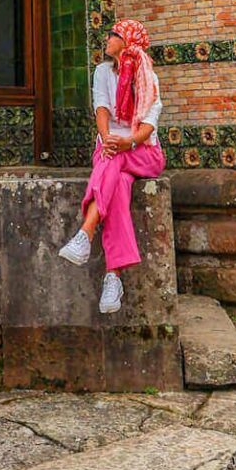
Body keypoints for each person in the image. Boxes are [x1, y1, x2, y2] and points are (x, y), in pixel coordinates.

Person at [57, 19, 165, 315]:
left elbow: (147, 126)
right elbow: (101, 108)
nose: (107, 38)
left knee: (111, 159)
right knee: (117, 184)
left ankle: (86, 232)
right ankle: (113, 277)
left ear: (127, 42)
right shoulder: (103, 72)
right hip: (111, 150)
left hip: (143, 152)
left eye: (114, 34)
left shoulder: (148, 77)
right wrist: (106, 139)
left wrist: (123, 143)